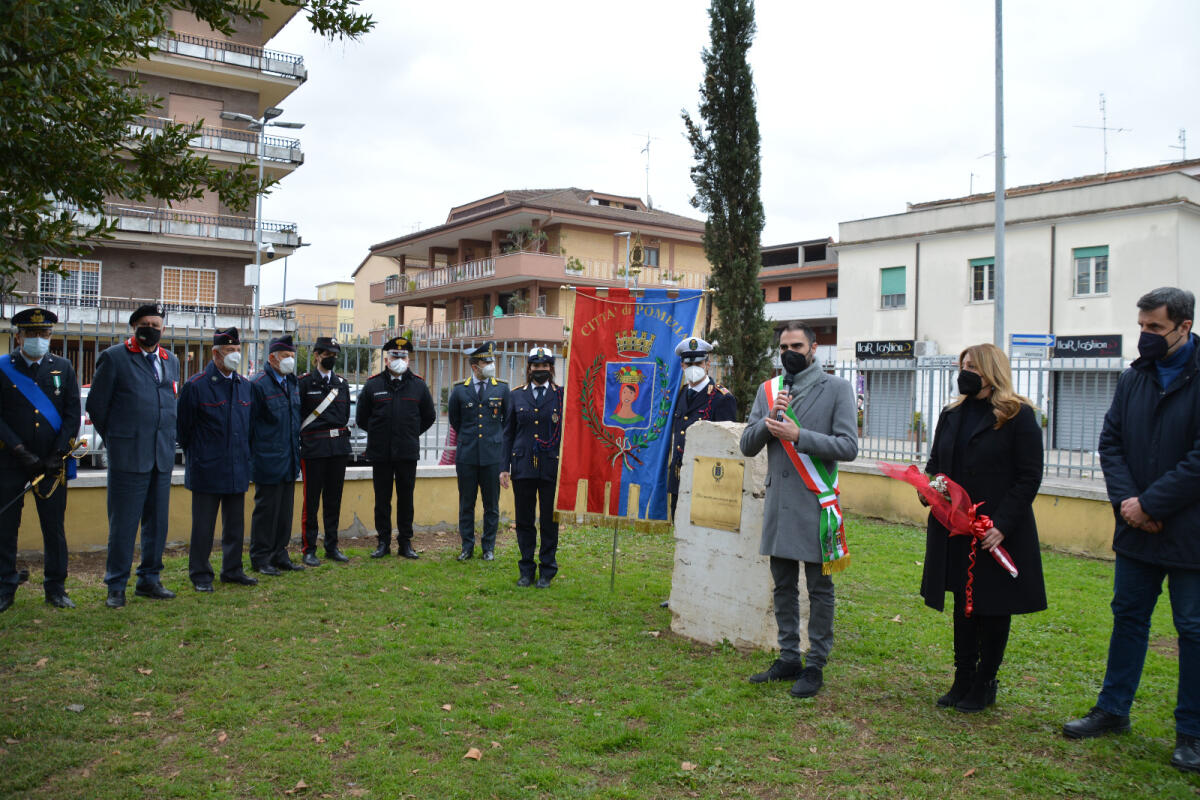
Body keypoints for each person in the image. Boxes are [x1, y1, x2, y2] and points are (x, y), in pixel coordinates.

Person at [1063, 286, 1200, 773]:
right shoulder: (1134, 378)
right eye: (1141, 326)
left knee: (1193, 631)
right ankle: (1113, 710)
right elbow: (1111, 442)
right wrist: (1130, 504)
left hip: (1190, 533)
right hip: (1136, 527)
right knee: (1128, 619)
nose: (1145, 336)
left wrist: (1153, 503)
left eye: (1155, 328)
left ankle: (1192, 733)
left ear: (1183, 327)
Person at [920, 343, 1046, 713]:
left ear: (991, 371)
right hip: (956, 528)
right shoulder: (951, 413)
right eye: (963, 365)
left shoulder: (1017, 415)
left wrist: (1003, 524)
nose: (966, 372)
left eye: (973, 366)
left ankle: (985, 681)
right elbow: (936, 465)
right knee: (964, 602)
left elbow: (1029, 477)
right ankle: (962, 677)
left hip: (995, 532)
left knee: (992, 606)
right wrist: (931, 491)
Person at [740, 321, 857, 698]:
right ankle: (789, 656)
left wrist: (799, 436)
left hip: (815, 503)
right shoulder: (769, 390)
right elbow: (746, 443)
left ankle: (816, 663)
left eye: (797, 345)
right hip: (780, 504)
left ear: (813, 347)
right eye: (784, 345)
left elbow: (848, 447)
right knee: (783, 585)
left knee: (820, 588)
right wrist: (769, 423)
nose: (790, 351)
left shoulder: (837, 389)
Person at [88, 303, 180, 608]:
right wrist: (117, 439)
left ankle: (149, 579)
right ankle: (116, 585)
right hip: (129, 455)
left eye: (156, 324)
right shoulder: (115, 358)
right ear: (134, 326)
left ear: (163, 329)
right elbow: (97, 407)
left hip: (161, 455)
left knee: (157, 524)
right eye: (145, 323)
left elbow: (169, 401)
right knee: (124, 525)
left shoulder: (171, 360)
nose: (151, 328)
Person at [0, 308, 81, 611]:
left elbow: (73, 414)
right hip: (10, 461)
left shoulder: (63, 367)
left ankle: (56, 588)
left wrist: (57, 454)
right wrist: (20, 451)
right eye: (31, 334)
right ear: (18, 336)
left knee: (54, 527)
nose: (38, 339)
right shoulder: (2, 367)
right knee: (6, 527)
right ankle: (5, 586)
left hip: (50, 463)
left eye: (44, 334)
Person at [177, 326, 257, 593]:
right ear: (215, 354)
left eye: (237, 350)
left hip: (236, 466)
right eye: (229, 351)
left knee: (235, 525)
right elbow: (184, 431)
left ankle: (232, 570)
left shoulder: (244, 386)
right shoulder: (196, 386)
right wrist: (201, 455)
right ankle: (200, 574)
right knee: (203, 527)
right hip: (207, 468)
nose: (235, 355)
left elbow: (249, 428)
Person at [357, 336, 435, 559]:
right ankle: (383, 542)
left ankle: (405, 543)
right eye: (394, 356)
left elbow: (429, 416)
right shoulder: (373, 385)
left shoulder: (418, 385)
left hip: (406, 453)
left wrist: (409, 434)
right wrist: (382, 434)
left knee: (406, 499)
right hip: (381, 453)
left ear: (408, 360)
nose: (399, 359)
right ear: (386, 359)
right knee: (382, 499)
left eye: (403, 356)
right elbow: (363, 418)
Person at [501, 346, 563, 588]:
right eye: (536, 366)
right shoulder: (516, 395)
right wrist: (504, 466)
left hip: (550, 466)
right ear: (529, 369)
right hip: (523, 465)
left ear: (551, 368)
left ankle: (547, 570)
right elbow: (508, 434)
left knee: (549, 521)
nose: (540, 370)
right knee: (524, 520)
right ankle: (526, 569)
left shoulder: (561, 395)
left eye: (545, 366)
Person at [447, 341, 509, 561]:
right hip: (467, 456)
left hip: (492, 457)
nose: (491, 365)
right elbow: (455, 421)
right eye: (486, 361)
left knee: (491, 505)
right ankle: (467, 546)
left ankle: (488, 547)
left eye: (492, 361)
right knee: (467, 504)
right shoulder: (459, 390)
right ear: (475, 366)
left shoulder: (501, 388)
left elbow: (507, 421)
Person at [248, 334, 302, 575]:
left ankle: (280, 554)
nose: (290, 361)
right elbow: (250, 425)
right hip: (267, 459)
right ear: (272, 358)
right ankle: (261, 557)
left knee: (284, 513)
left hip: (289, 458)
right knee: (266, 512)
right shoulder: (258, 384)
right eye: (286, 356)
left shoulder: (291, 383)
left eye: (292, 356)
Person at [668, 336, 737, 519]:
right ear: (682, 366)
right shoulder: (682, 394)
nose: (693, 369)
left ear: (708, 364)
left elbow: (727, 449)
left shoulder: (722, 398)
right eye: (688, 364)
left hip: (706, 481)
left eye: (698, 364)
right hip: (680, 476)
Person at [297, 336, 352, 567]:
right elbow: (298, 416)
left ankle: (332, 545)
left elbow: (345, 416)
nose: (331, 359)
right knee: (311, 502)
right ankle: (309, 548)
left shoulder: (341, 383)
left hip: (337, 449)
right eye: (327, 355)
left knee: (333, 500)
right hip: (314, 449)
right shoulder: (304, 384)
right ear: (317, 356)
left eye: (334, 356)